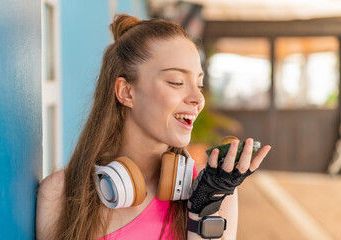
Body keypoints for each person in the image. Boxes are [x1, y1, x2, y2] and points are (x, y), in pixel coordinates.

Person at [36, 14, 271, 240]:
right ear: (126, 92)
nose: (198, 99)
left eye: (199, 85)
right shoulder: (60, 194)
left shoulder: (214, 191)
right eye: (176, 82)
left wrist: (203, 211)